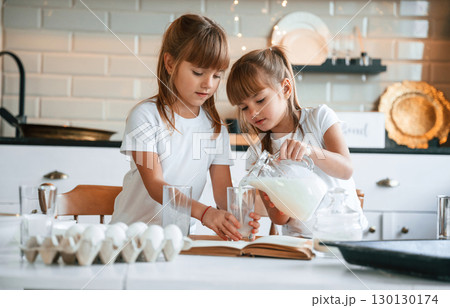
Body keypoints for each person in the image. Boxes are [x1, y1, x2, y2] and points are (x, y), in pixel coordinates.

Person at [111, 14, 260, 241]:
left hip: (178, 240)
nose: (208, 84)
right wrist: (205, 213)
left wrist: (237, 216)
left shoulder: (215, 128)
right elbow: (155, 185)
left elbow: (222, 193)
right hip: (129, 238)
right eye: (198, 72)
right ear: (170, 64)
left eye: (217, 75)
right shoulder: (145, 116)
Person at [226, 46, 366, 237]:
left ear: (285, 88)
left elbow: (346, 169)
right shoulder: (257, 155)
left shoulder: (319, 118)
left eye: (259, 100)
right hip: (299, 241)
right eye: (244, 107)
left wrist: (309, 151)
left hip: (342, 234)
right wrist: (273, 190)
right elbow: (279, 219)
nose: (253, 113)